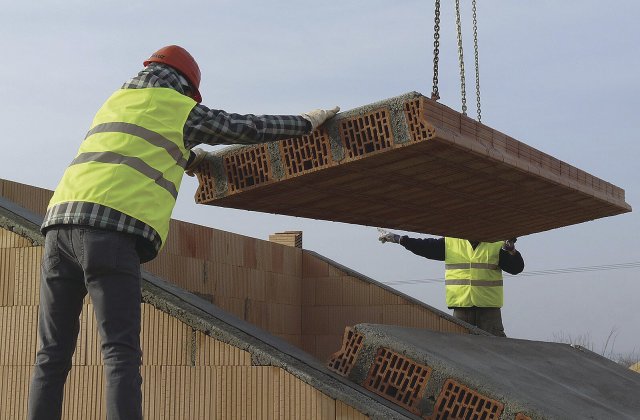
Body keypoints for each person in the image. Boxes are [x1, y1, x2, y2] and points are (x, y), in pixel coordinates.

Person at [28, 45, 339, 420]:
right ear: (186, 88)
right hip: (110, 235)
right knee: (119, 353)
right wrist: (304, 123)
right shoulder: (179, 108)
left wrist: (190, 159)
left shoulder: (116, 101)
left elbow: (132, 146)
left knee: (52, 353)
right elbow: (247, 127)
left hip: (58, 231)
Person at [378, 231, 524, 337]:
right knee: (458, 349)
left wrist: (511, 251)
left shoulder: (497, 245)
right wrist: (400, 239)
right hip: (461, 308)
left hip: (488, 310)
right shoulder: (451, 242)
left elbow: (516, 268)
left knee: (496, 350)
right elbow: (424, 246)